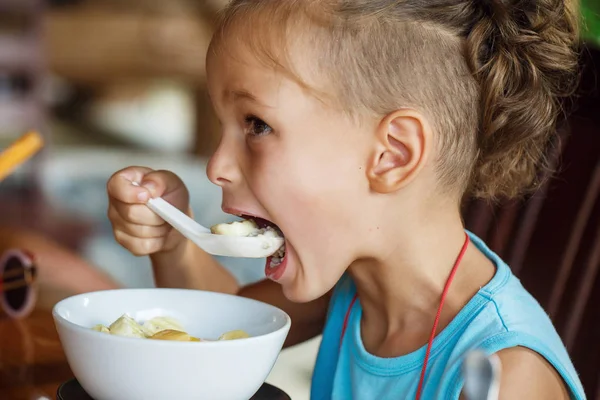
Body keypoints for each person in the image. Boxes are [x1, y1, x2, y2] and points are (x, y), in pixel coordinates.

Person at [106, 1, 584, 398]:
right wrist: (174, 240)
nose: (217, 167)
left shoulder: (505, 374)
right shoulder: (352, 286)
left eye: (256, 125)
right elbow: (221, 332)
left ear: (392, 155)